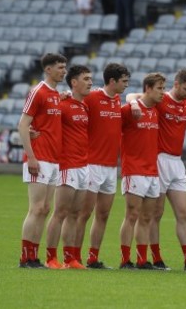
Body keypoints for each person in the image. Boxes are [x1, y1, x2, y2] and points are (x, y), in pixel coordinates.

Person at [126, 69, 186, 271]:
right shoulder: (161, 99)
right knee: (155, 213)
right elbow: (134, 96)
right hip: (158, 160)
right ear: (176, 84)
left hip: (176, 162)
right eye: (185, 89)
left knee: (183, 213)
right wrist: (133, 102)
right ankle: (156, 258)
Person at [77, 62, 129, 269]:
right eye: (124, 81)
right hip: (92, 164)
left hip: (110, 167)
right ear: (112, 81)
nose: (126, 85)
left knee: (103, 214)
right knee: (84, 213)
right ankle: (72, 256)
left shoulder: (117, 100)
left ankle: (92, 257)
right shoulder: (91, 98)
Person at [18, 53, 67, 268]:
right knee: (36, 208)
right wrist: (31, 157)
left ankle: (34, 257)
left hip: (54, 159)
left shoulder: (55, 94)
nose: (64, 71)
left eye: (65, 67)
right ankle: (25, 257)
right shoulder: (38, 91)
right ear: (48, 69)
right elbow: (22, 124)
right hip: (39, 157)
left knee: (45, 208)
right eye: (60, 67)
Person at [44, 65, 91, 270]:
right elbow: (43, 122)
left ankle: (70, 258)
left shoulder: (84, 106)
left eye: (90, 78)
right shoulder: (62, 104)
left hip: (83, 165)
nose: (90, 82)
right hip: (67, 165)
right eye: (86, 79)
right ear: (74, 82)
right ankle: (50, 258)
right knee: (60, 212)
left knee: (76, 213)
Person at [118, 73, 164, 269]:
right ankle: (125, 259)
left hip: (152, 171)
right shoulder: (128, 110)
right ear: (148, 88)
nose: (163, 92)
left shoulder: (156, 110)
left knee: (147, 217)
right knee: (132, 215)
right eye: (160, 88)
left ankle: (142, 259)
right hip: (134, 169)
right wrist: (133, 102)